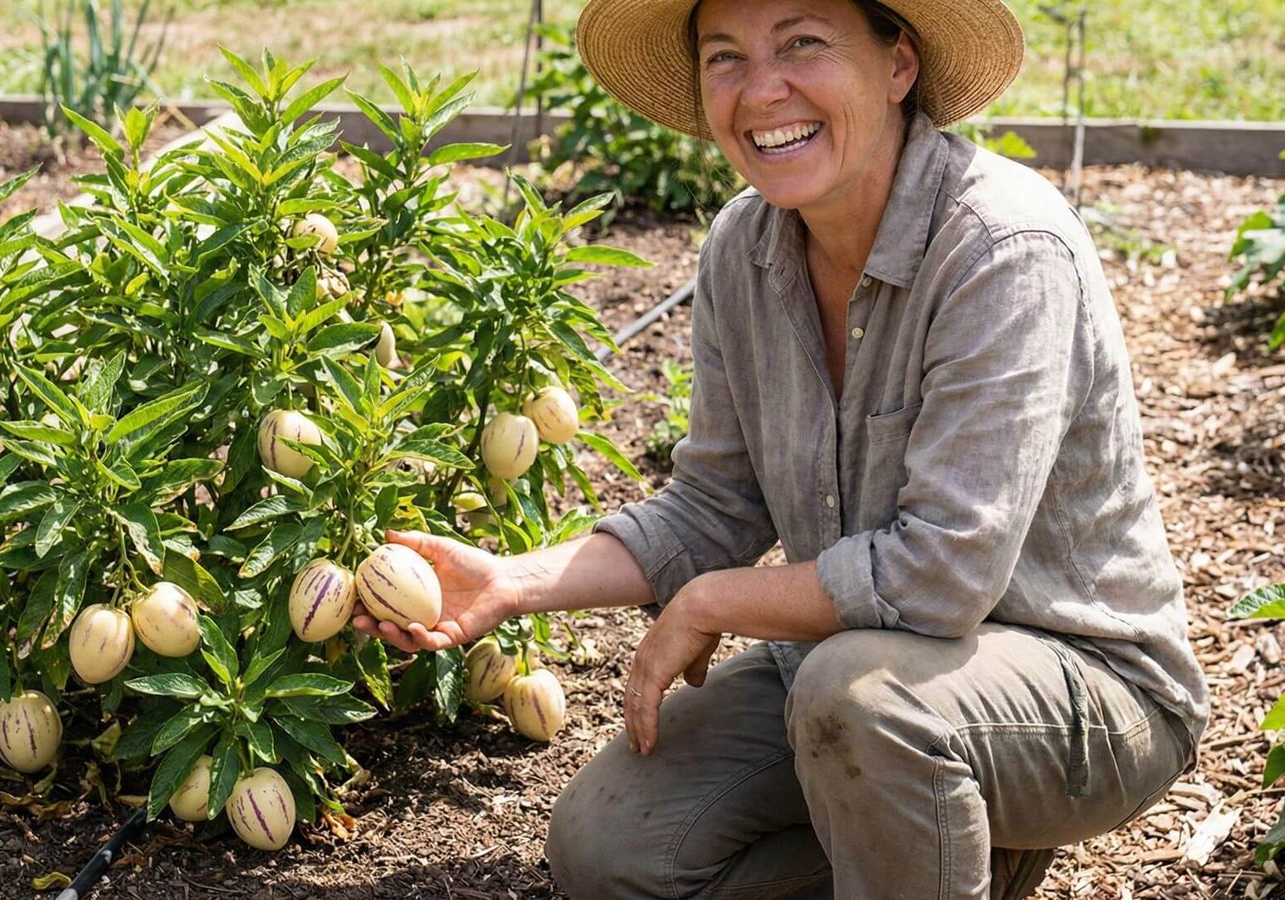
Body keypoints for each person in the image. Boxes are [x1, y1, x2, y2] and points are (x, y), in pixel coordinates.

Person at [352, 0, 1209, 895]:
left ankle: (943, 826)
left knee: (865, 701)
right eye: (725, 57)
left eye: (803, 43)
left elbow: (943, 573)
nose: (762, 91)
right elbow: (716, 504)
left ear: (898, 67)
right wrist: (509, 583)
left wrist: (715, 601)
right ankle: (947, 842)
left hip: (1085, 687)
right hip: (864, 669)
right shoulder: (744, 249)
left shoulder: (1002, 249)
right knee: (613, 849)